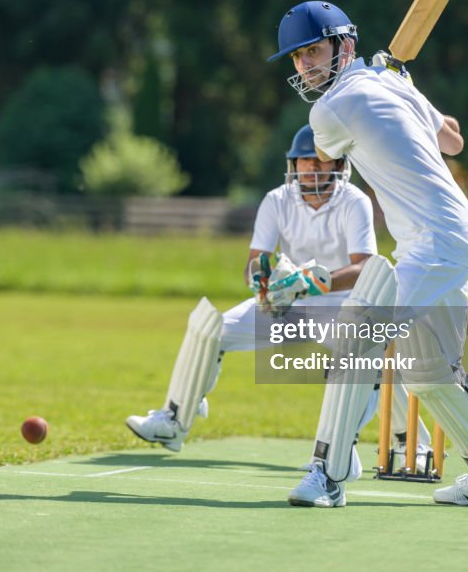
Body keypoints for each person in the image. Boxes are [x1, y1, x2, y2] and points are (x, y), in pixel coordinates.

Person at [269, 0, 468, 508]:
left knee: (354, 338)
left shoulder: (330, 109)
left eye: (313, 51)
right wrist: (409, 87)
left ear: (345, 45)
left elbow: (328, 155)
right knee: (428, 374)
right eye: (297, 58)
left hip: (434, 240)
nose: (305, 67)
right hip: (448, 234)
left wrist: (397, 86)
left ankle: (329, 475)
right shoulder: (393, 84)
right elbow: (453, 140)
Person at [126, 124, 433, 477]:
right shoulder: (276, 200)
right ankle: (174, 419)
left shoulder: (355, 202)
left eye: (322, 161)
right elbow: (256, 259)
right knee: (212, 328)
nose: (313, 168)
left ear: (338, 165)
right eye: (305, 161)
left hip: (340, 305)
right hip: (288, 305)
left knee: (367, 360)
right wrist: (262, 280)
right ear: (294, 164)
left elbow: (363, 265)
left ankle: (407, 442)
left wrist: (315, 284)